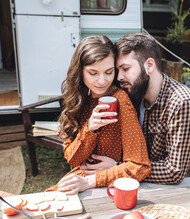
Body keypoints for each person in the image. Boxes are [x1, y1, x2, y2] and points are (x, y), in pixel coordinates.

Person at [80, 33, 190, 184]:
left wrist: (116, 168)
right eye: (117, 70)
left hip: (172, 191)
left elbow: (174, 172)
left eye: (125, 68)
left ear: (149, 65)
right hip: (127, 184)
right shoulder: (132, 93)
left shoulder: (182, 102)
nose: (119, 77)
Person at [45, 35, 151, 195]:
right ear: (80, 71)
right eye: (93, 73)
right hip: (79, 181)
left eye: (109, 72)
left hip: (106, 187)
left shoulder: (120, 100)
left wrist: (92, 180)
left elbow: (140, 166)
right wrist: (90, 129)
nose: (102, 81)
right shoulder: (80, 98)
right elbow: (73, 159)